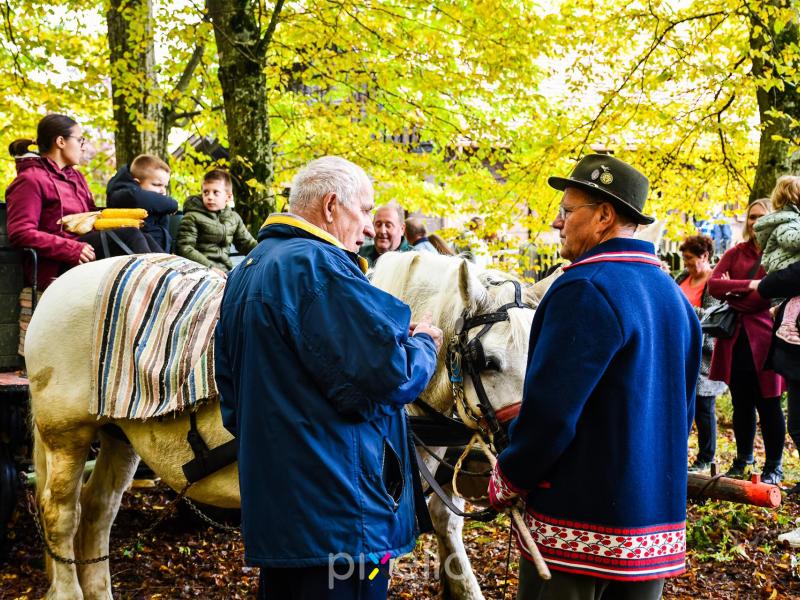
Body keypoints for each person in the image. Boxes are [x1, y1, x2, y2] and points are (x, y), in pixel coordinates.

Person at [214, 156, 442, 599]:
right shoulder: (318, 267)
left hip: (282, 516)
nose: (369, 230)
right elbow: (389, 377)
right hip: (340, 518)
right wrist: (424, 345)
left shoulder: (249, 268)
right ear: (333, 205)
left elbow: (233, 398)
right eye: (364, 211)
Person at [488, 154, 701, 600]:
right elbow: (680, 414)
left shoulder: (586, 287)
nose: (556, 221)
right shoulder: (673, 297)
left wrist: (509, 476)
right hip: (652, 531)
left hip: (578, 531)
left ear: (604, 216)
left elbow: (552, 415)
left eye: (567, 211)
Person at [5, 114, 155, 290]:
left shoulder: (76, 177)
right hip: (55, 264)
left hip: (86, 252)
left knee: (145, 235)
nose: (83, 148)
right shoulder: (30, 180)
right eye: (80, 140)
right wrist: (71, 248)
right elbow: (20, 233)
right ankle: (156, 289)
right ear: (60, 141)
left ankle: (175, 280)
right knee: (130, 235)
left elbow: (92, 215)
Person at [708, 199, 785, 484]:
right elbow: (714, 286)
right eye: (751, 217)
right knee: (741, 403)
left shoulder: (778, 256)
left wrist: (735, 292)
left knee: (769, 404)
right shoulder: (735, 252)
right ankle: (743, 460)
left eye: (761, 217)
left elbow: (766, 297)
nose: (755, 223)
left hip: (766, 340)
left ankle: (774, 466)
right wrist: (749, 286)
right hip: (736, 341)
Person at [675, 235, 728, 472]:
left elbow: (710, 316)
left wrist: (683, 308)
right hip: (679, 351)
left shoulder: (713, 283)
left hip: (704, 354)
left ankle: (706, 457)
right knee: (681, 405)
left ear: (704, 256)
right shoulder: (682, 278)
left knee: (704, 407)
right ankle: (678, 452)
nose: (685, 264)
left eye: (689, 259)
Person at [176, 169, 258, 271]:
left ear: (228, 197)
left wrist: (267, 251)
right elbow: (184, 248)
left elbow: (247, 244)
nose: (210, 197)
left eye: (215, 192)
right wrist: (210, 267)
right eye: (206, 192)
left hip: (225, 272)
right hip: (199, 270)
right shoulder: (192, 216)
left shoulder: (233, 218)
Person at [106, 153, 179, 252]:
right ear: (136, 182)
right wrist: (173, 204)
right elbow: (137, 198)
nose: (163, 191)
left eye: (165, 186)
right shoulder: (123, 194)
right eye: (157, 185)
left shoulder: (158, 203)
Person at [358, 203, 412, 267]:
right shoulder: (360, 255)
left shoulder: (413, 260)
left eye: (388, 225)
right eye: (378, 224)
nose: (382, 231)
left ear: (402, 229)